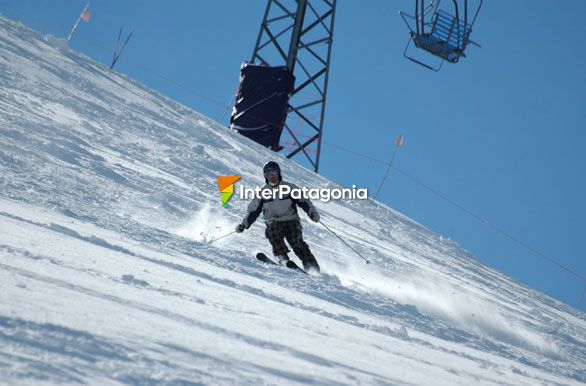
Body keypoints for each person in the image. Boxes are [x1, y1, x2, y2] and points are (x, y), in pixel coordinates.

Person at [235, 161, 321, 272]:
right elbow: (253, 211)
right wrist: (243, 224)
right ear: (265, 176)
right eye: (268, 175)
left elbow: (304, 201)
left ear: (279, 173)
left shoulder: (289, 187)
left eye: (274, 173)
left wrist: (312, 213)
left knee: (297, 243)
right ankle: (282, 257)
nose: (272, 177)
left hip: (291, 220)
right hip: (273, 221)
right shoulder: (262, 192)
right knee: (273, 230)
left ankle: (312, 268)